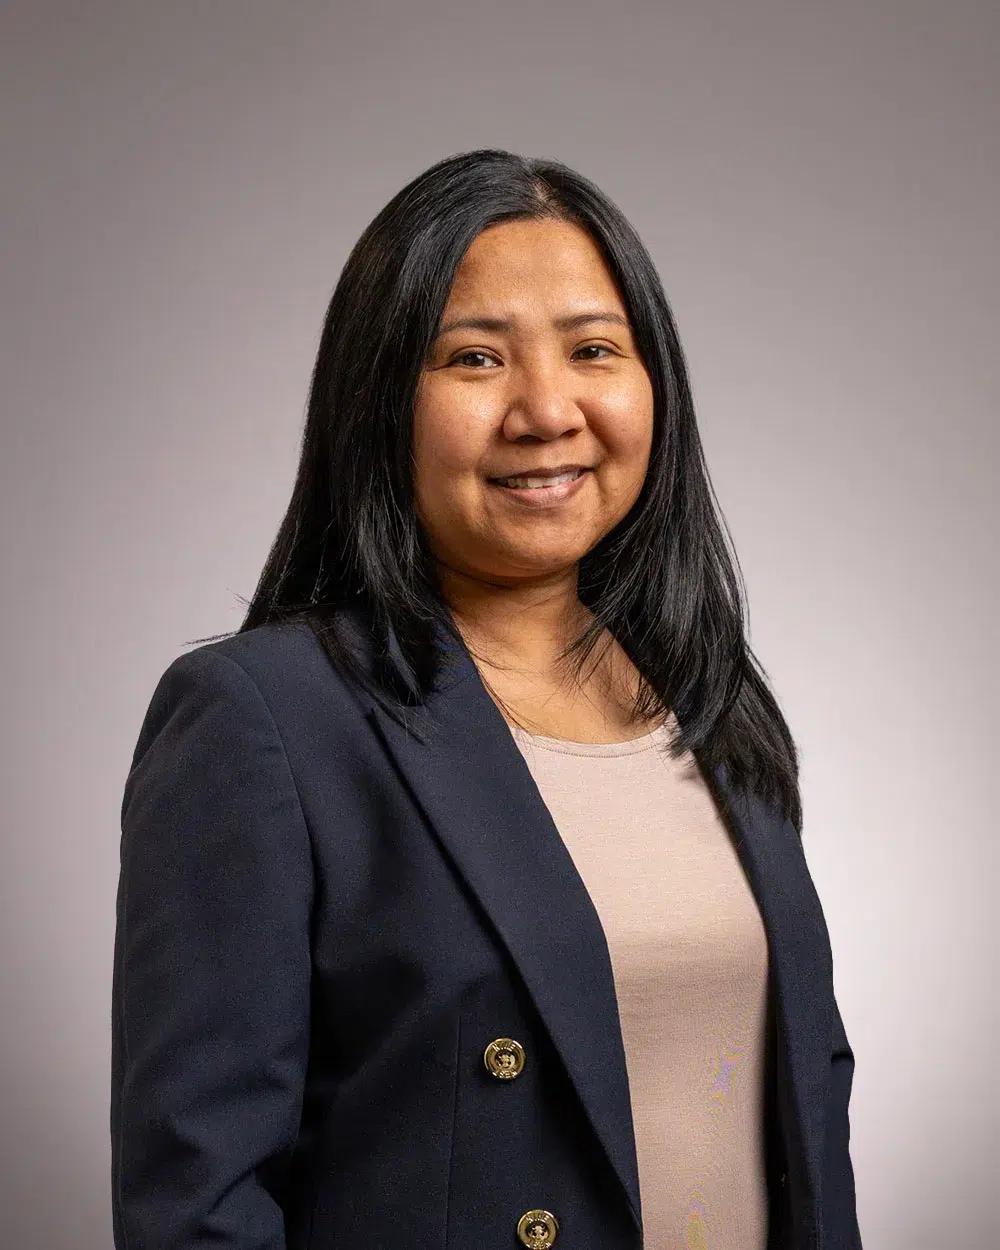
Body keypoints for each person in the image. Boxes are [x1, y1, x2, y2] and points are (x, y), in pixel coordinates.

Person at [111, 148, 862, 1250]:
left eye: (594, 349)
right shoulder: (264, 717)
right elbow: (198, 1203)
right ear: (377, 400)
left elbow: (804, 1121)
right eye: (473, 358)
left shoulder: (708, 702)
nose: (545, 409)